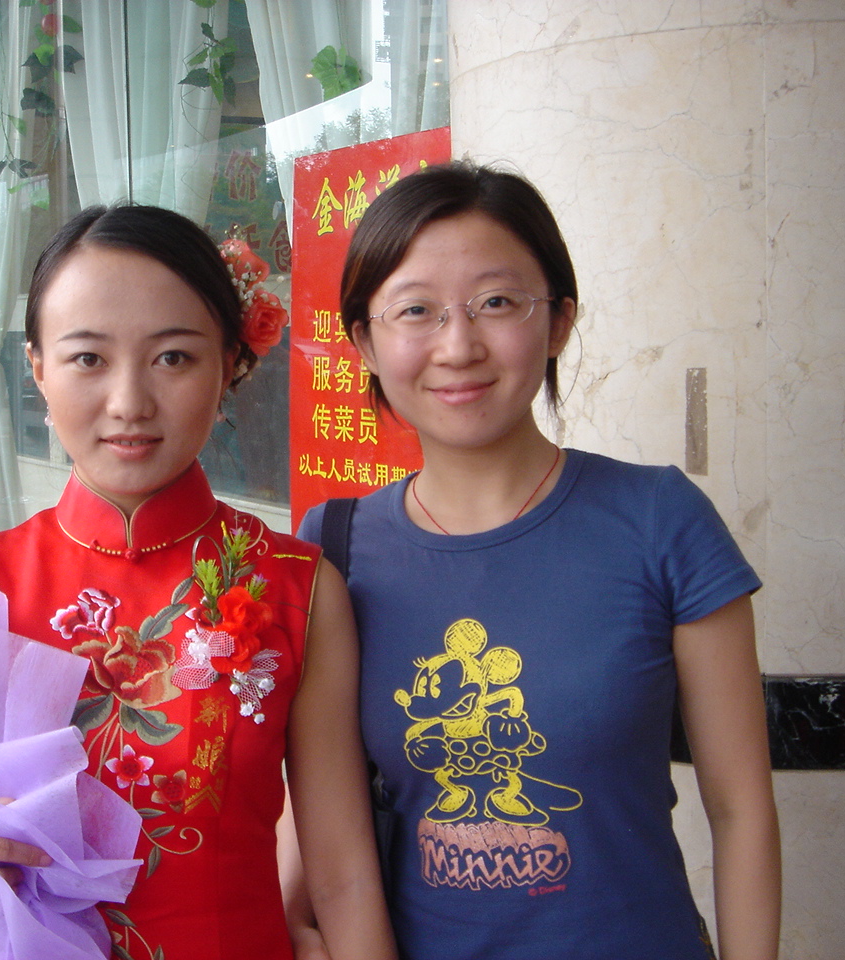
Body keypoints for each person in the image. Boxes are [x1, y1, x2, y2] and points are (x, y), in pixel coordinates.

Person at [0, 205, 396, 960]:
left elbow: (344, 879)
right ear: (37, 367)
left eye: (173, 357)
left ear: (230, 364)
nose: (130, 402)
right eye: (88, 358)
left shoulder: (297, 588)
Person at [294, 163, 780, 960]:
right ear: (366, 345)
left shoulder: (660, 520)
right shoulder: (333, 547)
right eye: (416, 310)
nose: (458, 345)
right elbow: (323, 828)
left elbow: (741, 809)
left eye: (496, 302)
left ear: (557, 321)